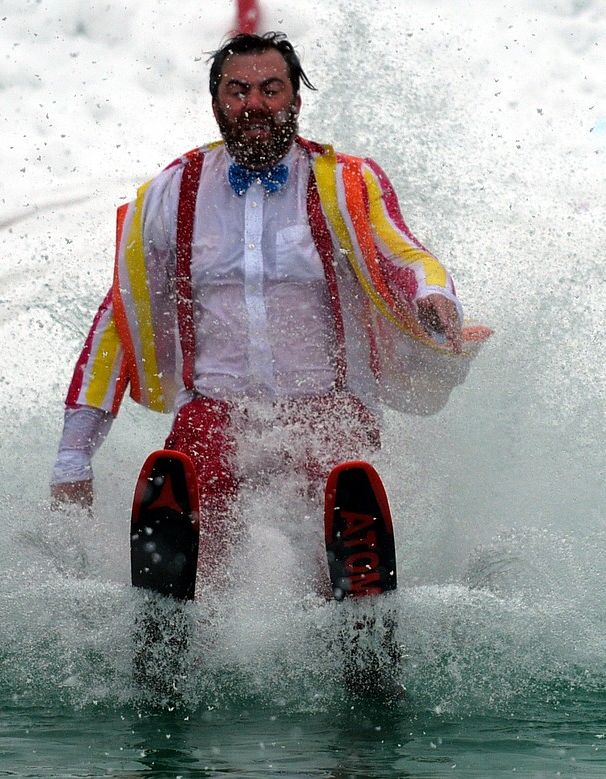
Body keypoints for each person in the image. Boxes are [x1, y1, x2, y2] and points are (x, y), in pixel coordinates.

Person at [51, 32, 489, 592]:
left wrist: (435, 295)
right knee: (195, 509)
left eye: (270, 89)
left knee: (330, 510)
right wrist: (73, 456)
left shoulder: (345, 182)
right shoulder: (171, 193)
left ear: (295, 102)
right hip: (215, 408)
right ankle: (173, 629)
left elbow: (404, 253)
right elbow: (120, 317)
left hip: (327, 409)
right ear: (216, 104)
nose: (254, 104)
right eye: (238, 91)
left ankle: (354, 622)